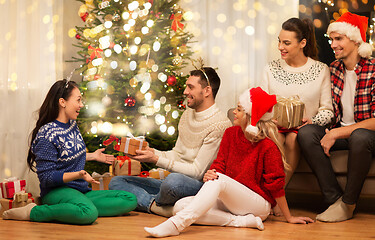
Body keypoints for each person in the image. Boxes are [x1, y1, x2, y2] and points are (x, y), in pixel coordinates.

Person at [144, 87, 314, 238]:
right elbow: (220, 163)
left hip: (258, 204)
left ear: (250, 116)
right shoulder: (231, 134)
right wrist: (211, 172)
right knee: (180, 206)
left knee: (217, 181)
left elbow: (276, 185)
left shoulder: (268, 146)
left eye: (239, 109)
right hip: (230, 201)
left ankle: (176, 225)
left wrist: (289, 217)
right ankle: (240, 222)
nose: (234, 111)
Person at [2, 79, 137, 224]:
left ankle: (75, 207)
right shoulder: (47, 134)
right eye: (78, 100)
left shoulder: (72, 124)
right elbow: (47, 177)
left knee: (129, 199)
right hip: (56, 192)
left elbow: (67, 155)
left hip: (80, 190)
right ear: (62, 102)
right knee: (89, 213)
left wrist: (92, 156)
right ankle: (33, 212)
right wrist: (78, 174)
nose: (81, 105)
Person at [109, 67, 232, 217]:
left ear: (207, 91)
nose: (185, 92)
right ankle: (157, 206)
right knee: (116, 182)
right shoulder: (187, 115)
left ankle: (153, 202)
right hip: (173, 183)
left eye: (190, 87)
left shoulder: (220, 125)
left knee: (173, 182)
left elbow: (197, 172)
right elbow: (177, 154)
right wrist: (152, 153)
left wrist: (156, 159)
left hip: (197, 185)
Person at [298, 12, 375, 222]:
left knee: (359, 135)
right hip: (342, 131)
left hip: (368, 136)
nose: (333, 44)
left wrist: (337, 132)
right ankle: (335, 199)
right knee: (306, 133)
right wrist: (313, 120)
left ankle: (349, 204)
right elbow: (327, 108)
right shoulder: (333, 69)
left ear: (355, 38)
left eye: (338, 38)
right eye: (331, 39)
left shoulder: (373, 70)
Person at [259, 17, 334, 186]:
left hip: (303, 129)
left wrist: (312, 121)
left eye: (286, 43)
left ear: (302, 43)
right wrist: (270, 118)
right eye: (279, 42)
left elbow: (328, 111)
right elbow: (261, 103)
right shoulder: (270, 69)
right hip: (274, 126)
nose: (280, 47)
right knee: (275, 137)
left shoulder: (321, 70)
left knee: (293, 140)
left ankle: (279, 193)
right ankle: (268, 193)